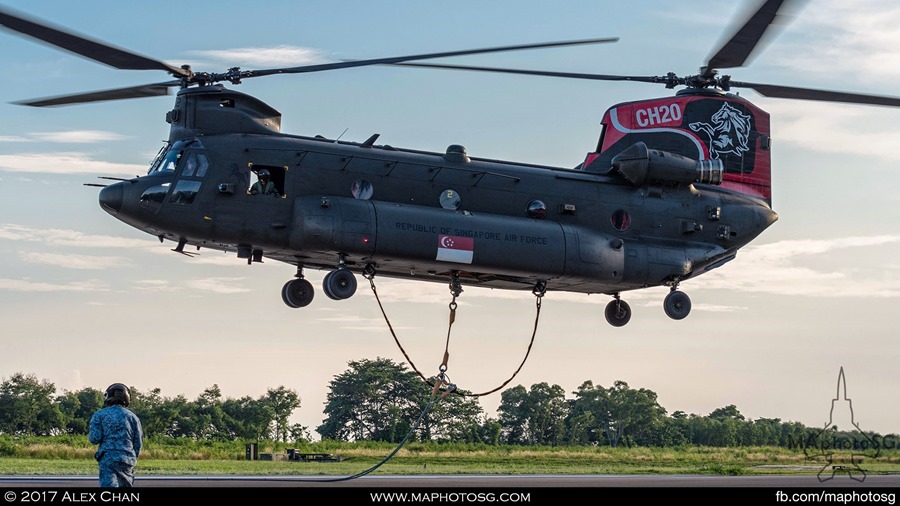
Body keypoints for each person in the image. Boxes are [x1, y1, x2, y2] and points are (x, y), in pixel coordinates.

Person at [89, 383, 143, 488]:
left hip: (107, 459)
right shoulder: (133, 417)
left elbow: (94, 439)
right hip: (127, 459)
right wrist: (132, 458)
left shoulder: (99, 415)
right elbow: (138, 443)